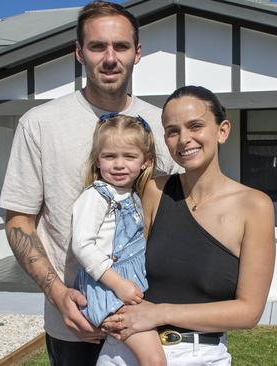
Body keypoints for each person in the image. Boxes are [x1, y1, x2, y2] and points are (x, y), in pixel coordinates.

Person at [0, 2, 178, 365]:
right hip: (76, 323)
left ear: (137, 52)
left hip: (147, 313)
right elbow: (20, 221)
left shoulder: (162, 124)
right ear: (79, 52)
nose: (110, 58)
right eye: (98, 46)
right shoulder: (40, 124)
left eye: (121, 46)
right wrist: (57, 293)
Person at [98, 86, 276, 365]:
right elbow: (116, 263)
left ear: (223, 130)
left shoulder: (254, 207)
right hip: (127, 350)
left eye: (195, 126)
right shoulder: (153, 192)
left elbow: (249, 311)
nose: (184, 139)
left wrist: (161, 313)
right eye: (172, 130)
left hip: (200, 354)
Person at [72, 113, 166, 366]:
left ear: (145, 162)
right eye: (110, 156)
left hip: (125, 288)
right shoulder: (96, 196)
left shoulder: (132, 195)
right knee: (154, 360)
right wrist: (118, 284)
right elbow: (82, 245)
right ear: (97, 161)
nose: (119, 164)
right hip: (108, 290)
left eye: (129, 156)